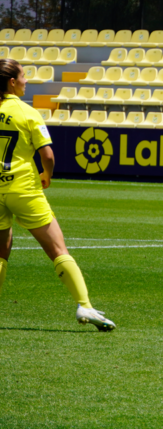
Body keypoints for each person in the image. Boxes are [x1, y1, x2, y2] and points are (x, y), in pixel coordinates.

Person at [0, 59, 116, 331]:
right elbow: (47, 155)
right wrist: (47, 175)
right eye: (24, 76)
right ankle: (84, 305)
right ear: (12, 82)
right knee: (57, 249)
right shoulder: (27, 112)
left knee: (1, 252)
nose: (27, 81)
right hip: (24, 189)